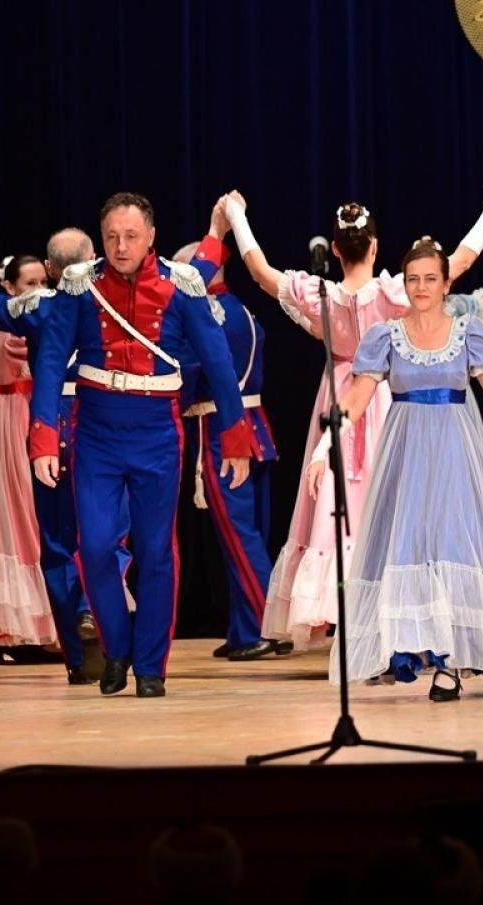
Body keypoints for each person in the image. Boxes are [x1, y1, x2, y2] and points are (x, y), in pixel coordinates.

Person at [219, 183, 483, 650]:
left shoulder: (318, 293)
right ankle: (402, 625)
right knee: (400, 510)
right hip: (389, 399)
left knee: (342, 509)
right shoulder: (397, 292)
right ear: (376, 246)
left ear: (336, 249)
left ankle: (355, 627)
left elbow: (260, 272)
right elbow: (459, 261)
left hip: (341, 394)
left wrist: (236, 216)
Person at [29, 193, 255, 698]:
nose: (121, 246)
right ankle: (117, 648)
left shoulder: (183, 284)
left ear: (151, 236)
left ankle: (151, 664)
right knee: (94, 546)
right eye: (111, 237)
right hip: (97, 432)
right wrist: (43, 434)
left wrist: (236, 437)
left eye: (131, 236)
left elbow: (218, 363)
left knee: (156, 551)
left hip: (157, 431)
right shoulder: (79, 285)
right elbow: (49, 363)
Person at [314, 238, 483, 699]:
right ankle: (412, 647)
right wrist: (326, 447)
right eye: (413, 280)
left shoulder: (467, 331)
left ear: (446, 284)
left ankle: (451, 664)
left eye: (430, 279)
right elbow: (357, 397)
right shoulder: (385, 335)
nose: (421, 288)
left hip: (456, 452)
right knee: (409, 546)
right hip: (404, 455)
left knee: (452, 544)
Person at [171, 240, 282, 661]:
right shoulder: (241, 309)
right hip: (256, 426)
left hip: (220, 427)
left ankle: (263, 626)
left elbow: (191, 371)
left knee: (239, 535)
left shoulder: (206, 313)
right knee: (250, 529)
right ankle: (244, 629)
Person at [0, 254, 61, 661]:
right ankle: (16, 628)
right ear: (11, 287)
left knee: (42, 515)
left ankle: (50, 620)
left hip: (40, 414)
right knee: (14, 514)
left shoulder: (47, 317)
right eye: (29, 283)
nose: (38, 290)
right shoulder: (9, 321)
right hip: (14, 421)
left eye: (43, 282)